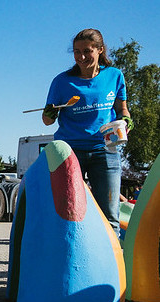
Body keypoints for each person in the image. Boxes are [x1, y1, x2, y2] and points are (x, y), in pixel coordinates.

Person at [43, 28, 132, 235]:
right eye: (76, 52)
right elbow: (47, 121)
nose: (81, 57)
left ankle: (112, 266)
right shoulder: (62, 82)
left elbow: (122, 109)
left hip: (106, 150)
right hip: (70, 151)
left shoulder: (114, 76)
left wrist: (126, 120)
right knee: (69, 212)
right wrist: (50, 112)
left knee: (110, 216)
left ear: (100, 50)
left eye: (87, 51)